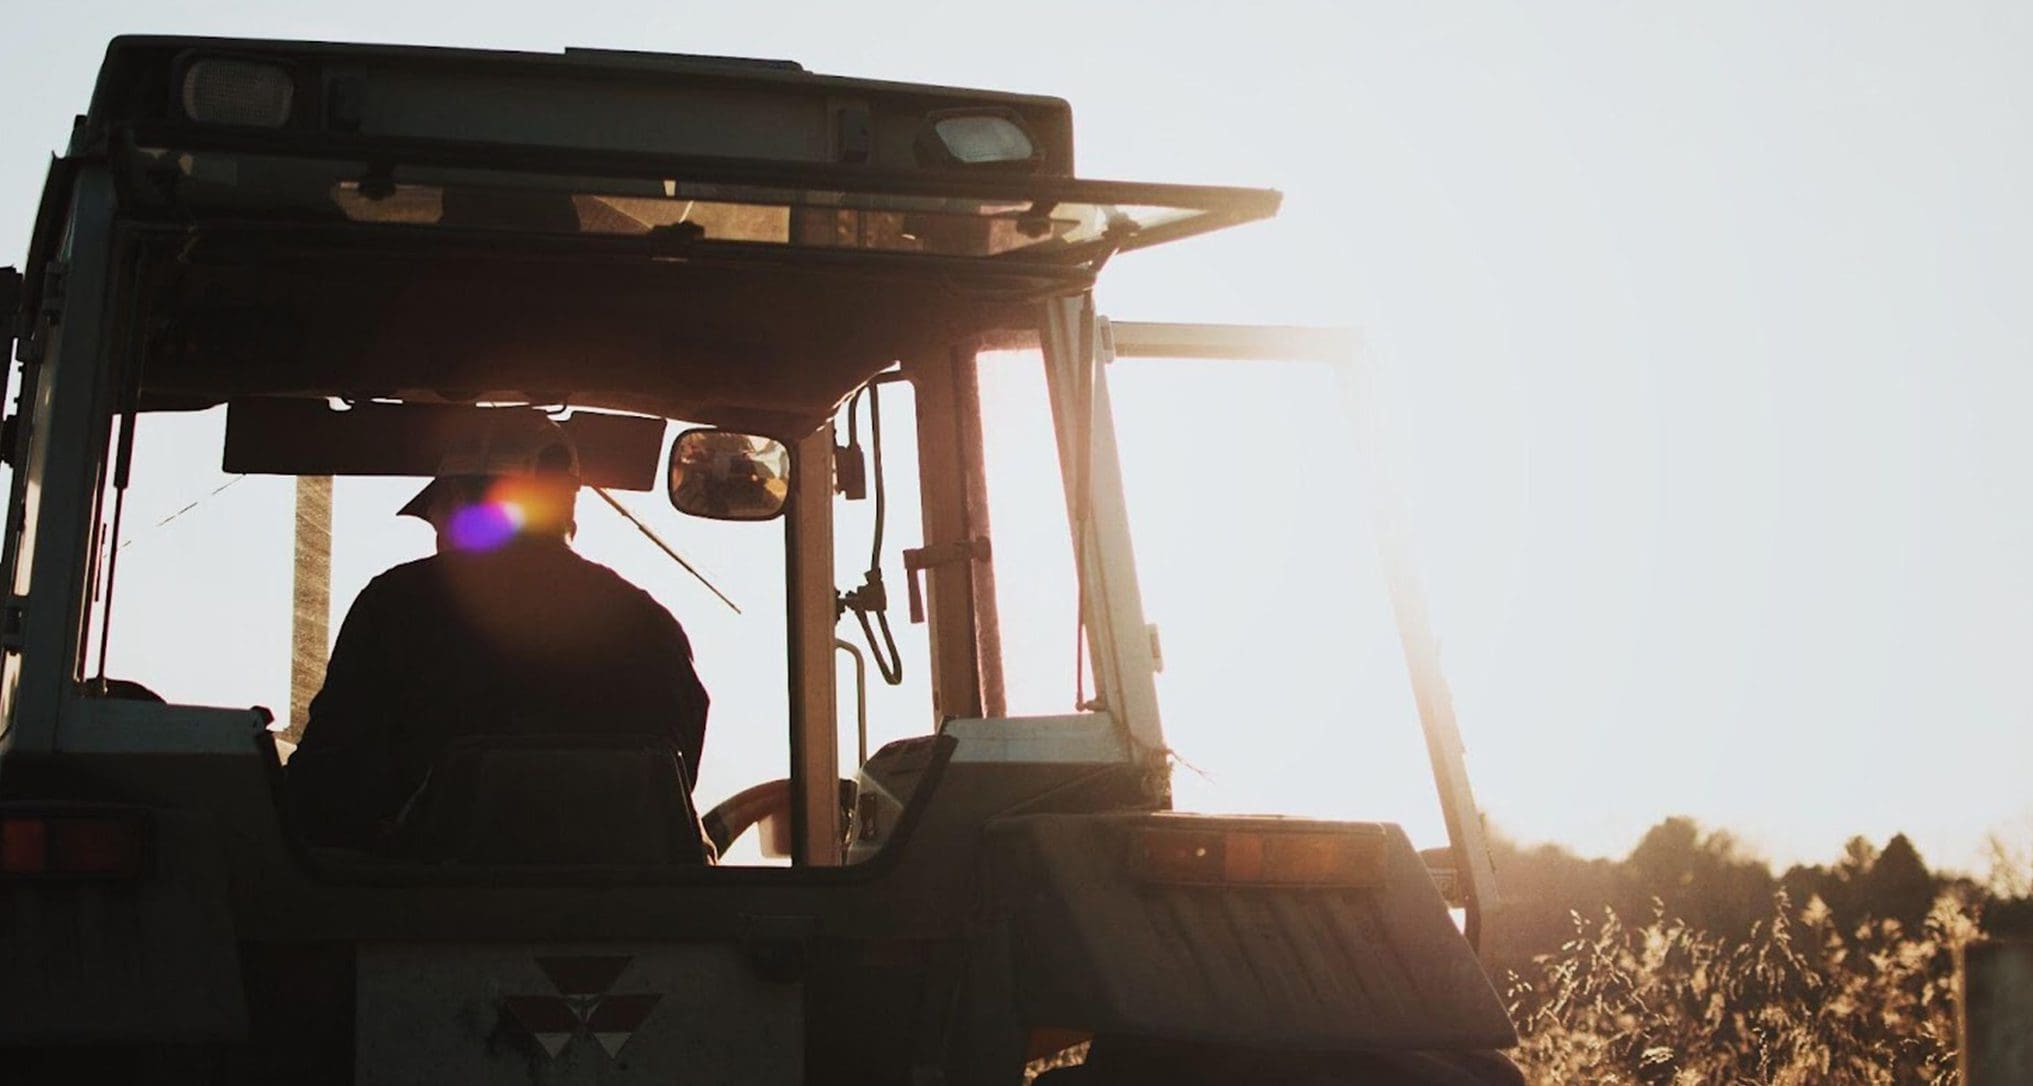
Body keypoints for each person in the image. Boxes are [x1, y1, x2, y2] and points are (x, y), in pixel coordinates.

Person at [286, 412, 710, 850]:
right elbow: (674, 788)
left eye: (435, 518)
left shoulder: (394, 606)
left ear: (454, 499)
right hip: (629, 909)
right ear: (569, 507)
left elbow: (326, 783)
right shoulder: (651, 624)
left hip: (415, 906)